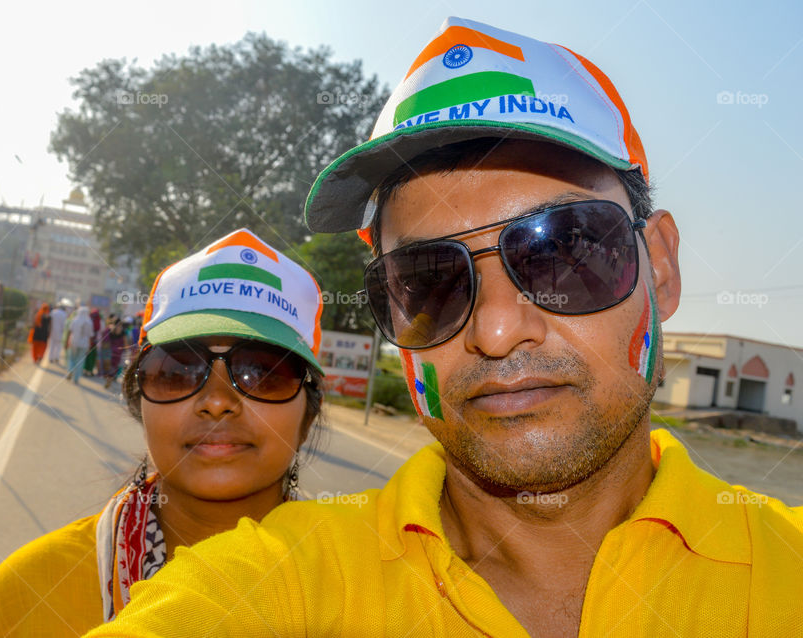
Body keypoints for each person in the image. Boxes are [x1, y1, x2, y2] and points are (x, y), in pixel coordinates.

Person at [85, 18, 803, 637]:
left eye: (563, 252)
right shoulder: (291, 579)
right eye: (429, 281)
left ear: (664, 269)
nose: (495, 330)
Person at [0, 228, 326, 636]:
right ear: (139, 400)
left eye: (263, 374)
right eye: (177, 371)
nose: (218, 400)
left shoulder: (364, 592)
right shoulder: (28, 591)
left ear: (308, 416)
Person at [65, 305, 95, 384]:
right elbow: (90, 336)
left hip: (74, 342)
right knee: (80, 361)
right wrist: (89, 345)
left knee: (72, 358)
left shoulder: (75, 320)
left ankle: (70, 371)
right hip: (84, 344)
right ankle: (76, 378)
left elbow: (70, 331)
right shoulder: (89, 322)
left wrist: (67, 341)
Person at [84, 307, 102, 376]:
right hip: (94, 341)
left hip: (88, 340)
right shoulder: (99, 321)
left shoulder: (88, 320)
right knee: (92, 356)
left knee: (87, 355)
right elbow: (100, 330)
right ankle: (90, 370)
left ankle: (85, 369)